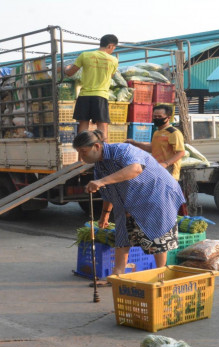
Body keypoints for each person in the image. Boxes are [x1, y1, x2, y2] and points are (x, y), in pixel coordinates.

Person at [74, 130, 185, 273]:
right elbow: (109, 193)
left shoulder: (122, 150)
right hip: (130, 198)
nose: (81, 157)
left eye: (83, 152)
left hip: (157, 194)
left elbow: (135, 169)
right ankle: (117, 275)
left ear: (96, 146)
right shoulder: (100, 166)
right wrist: (105, 215)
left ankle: (160, 275)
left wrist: (101, 181)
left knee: (157, 238)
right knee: (123, 235)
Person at [126, 104, 187, 214]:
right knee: (156, 201)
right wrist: (135, 143)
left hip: (169, 172)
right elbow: (152, 147)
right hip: (156, 170)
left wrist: (166, 163)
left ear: (168, 117)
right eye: (155, 116)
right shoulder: (157, 132)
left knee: (165, 201)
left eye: (159, 116)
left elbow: (181, 152)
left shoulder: (174, 133)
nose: (156, 119)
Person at [65, 34, 119, 141]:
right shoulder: (113, 60)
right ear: (110, 46)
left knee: (83, 126)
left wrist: (65, 69)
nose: (112, 50)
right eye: (114, 48)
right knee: (102, 126)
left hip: (84, 95)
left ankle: (82, 155)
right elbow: (110, 76)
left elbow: (70, 73)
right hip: (101, 96)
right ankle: (104, 154)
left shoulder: (85, 55)